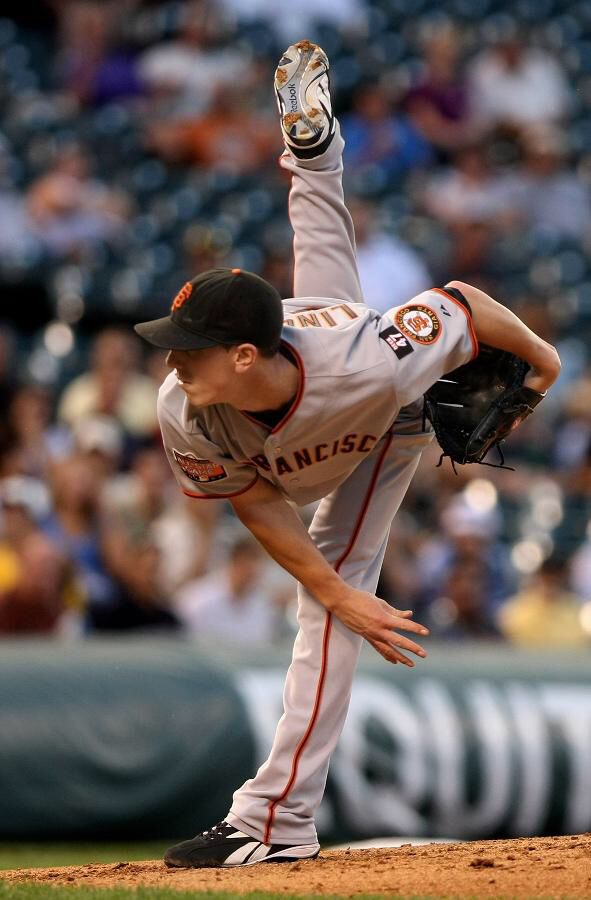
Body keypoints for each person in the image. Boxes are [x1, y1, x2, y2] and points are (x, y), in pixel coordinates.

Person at [134, 41, 561, 868]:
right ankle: (312, 151)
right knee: (334, 591)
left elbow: (464, 304)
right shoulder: (184, 403)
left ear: (244, 356)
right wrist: (338, 589)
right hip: (316, 355)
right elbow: (253, 501)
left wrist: (543, 364)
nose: (174, 359)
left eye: (191, 348)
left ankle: (275, 821)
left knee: (327, 608)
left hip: (376, 420)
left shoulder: (375, 361)